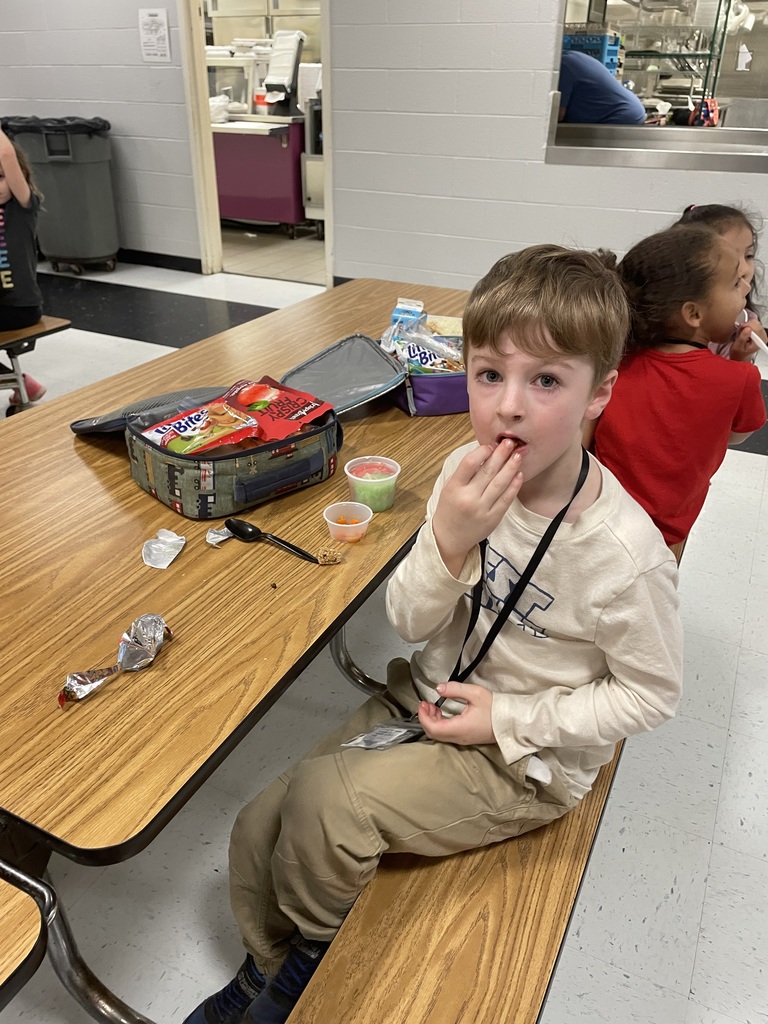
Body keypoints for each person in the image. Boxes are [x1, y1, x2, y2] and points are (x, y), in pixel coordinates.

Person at [182, 245, 683, 1024]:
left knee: (326, 802)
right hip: (428, 697)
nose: (507, 407)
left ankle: (306, 974)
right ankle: (273, 970)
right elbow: (410, 622)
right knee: (257, 827)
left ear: (600, 393)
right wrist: (449, 539)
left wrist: (509, 719)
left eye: (545, 380)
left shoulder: (623, 555)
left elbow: (651, 695)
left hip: (525, 756)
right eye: (489, 375)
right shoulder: (462, 473)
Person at [591, 224, 767, 556]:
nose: (746, 288)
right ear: (694, 314)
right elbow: (737, 435)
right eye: (735, 283)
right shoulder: (739, 379)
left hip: (598, 515)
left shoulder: (618, 360)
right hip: (665, 535)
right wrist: (743, 363)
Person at [676, 203, 767, 361]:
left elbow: (727, 384)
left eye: (749, 256)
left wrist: (740, 356)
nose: (744, 269)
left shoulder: (745, 323)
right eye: (729, 257)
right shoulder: (667, 315)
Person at [0, 125, 46, 406]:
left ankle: (22, 382)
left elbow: (6, 155)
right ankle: (23, 382)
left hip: (20, 307)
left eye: (1, 178)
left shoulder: (22, 207)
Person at [558, 49, 646, 125]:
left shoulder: (563, 65)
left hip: (620, 117)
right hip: (629, 110)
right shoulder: (571, 57)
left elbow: (558, 114)